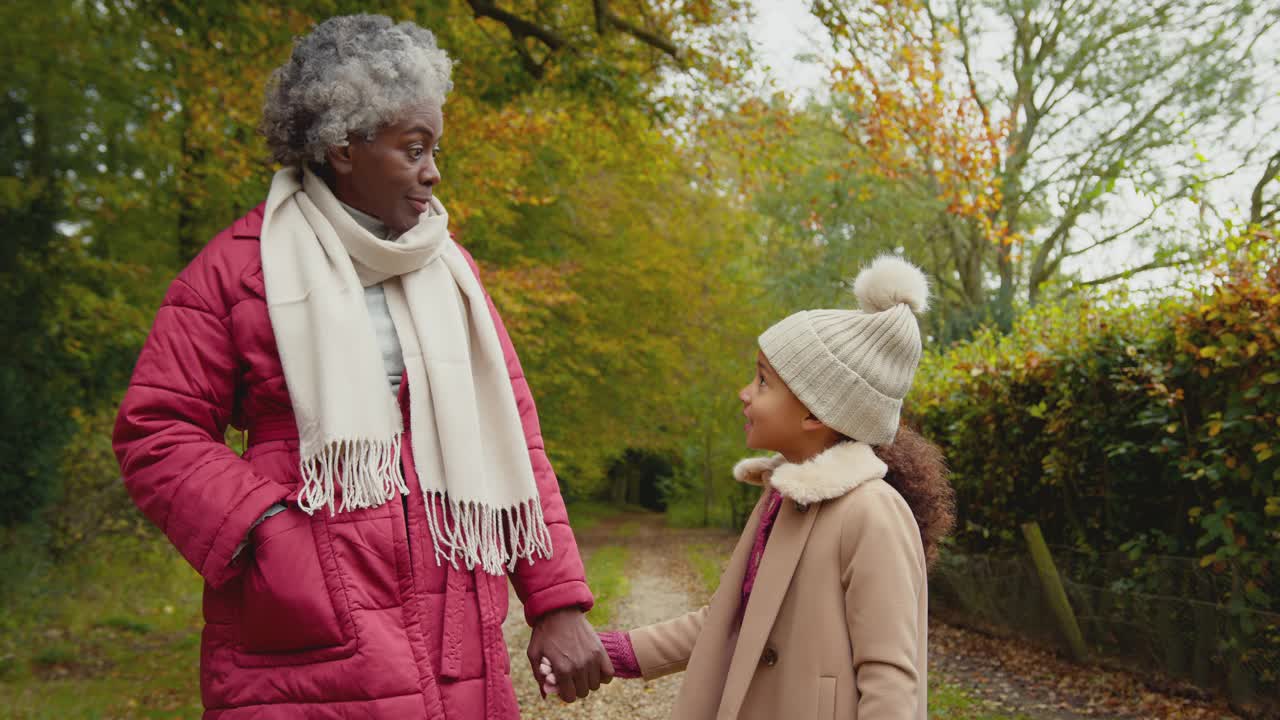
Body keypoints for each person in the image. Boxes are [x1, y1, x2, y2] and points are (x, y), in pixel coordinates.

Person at [113, 14, 611, 718]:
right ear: (344, 148)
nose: (433, 171)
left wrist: (556, 602)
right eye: (414, 149)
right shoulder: (236, 270)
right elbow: (156, 430)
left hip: (454, 631)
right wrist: (269, 531)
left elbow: (516, 440)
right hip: (304, 636)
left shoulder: (453, 274)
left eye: (435, 148)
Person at [546, 256, 955, 718]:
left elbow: (890, 679)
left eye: (763, 381)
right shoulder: (781, 500)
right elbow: (731, 618)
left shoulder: (873, 512)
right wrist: (617, 652)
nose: (745, 392)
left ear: (815, 413)